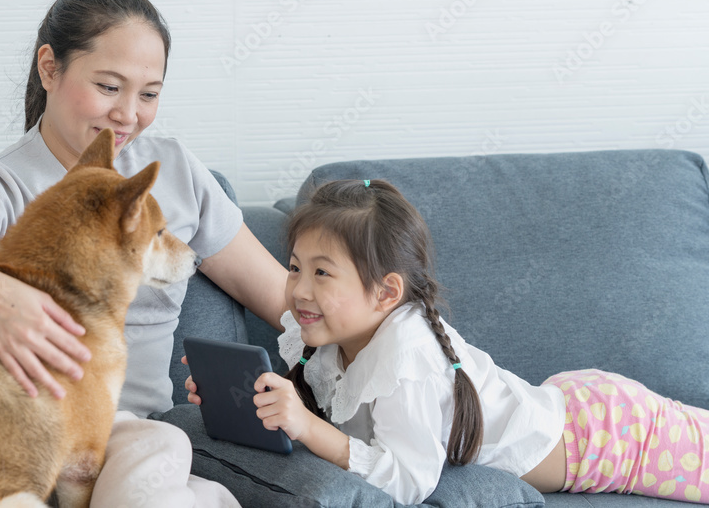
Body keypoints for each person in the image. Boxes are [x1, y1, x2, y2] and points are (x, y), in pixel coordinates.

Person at [0, 0, 287, 507]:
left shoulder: (176, 171)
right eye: (109, 87)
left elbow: (285, 302)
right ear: (50, 68)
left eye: (150, 94)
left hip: (137, 442)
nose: (129, 114)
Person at [187, 178, 709, 505]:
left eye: (323, 274)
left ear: (386, 291)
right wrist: (254, 402)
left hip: (607, 435)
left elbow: (408, 481)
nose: (298, 289)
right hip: (564, 402)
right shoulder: (326, 335)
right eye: (296, 267)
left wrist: (304, 427)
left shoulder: (408, 356)